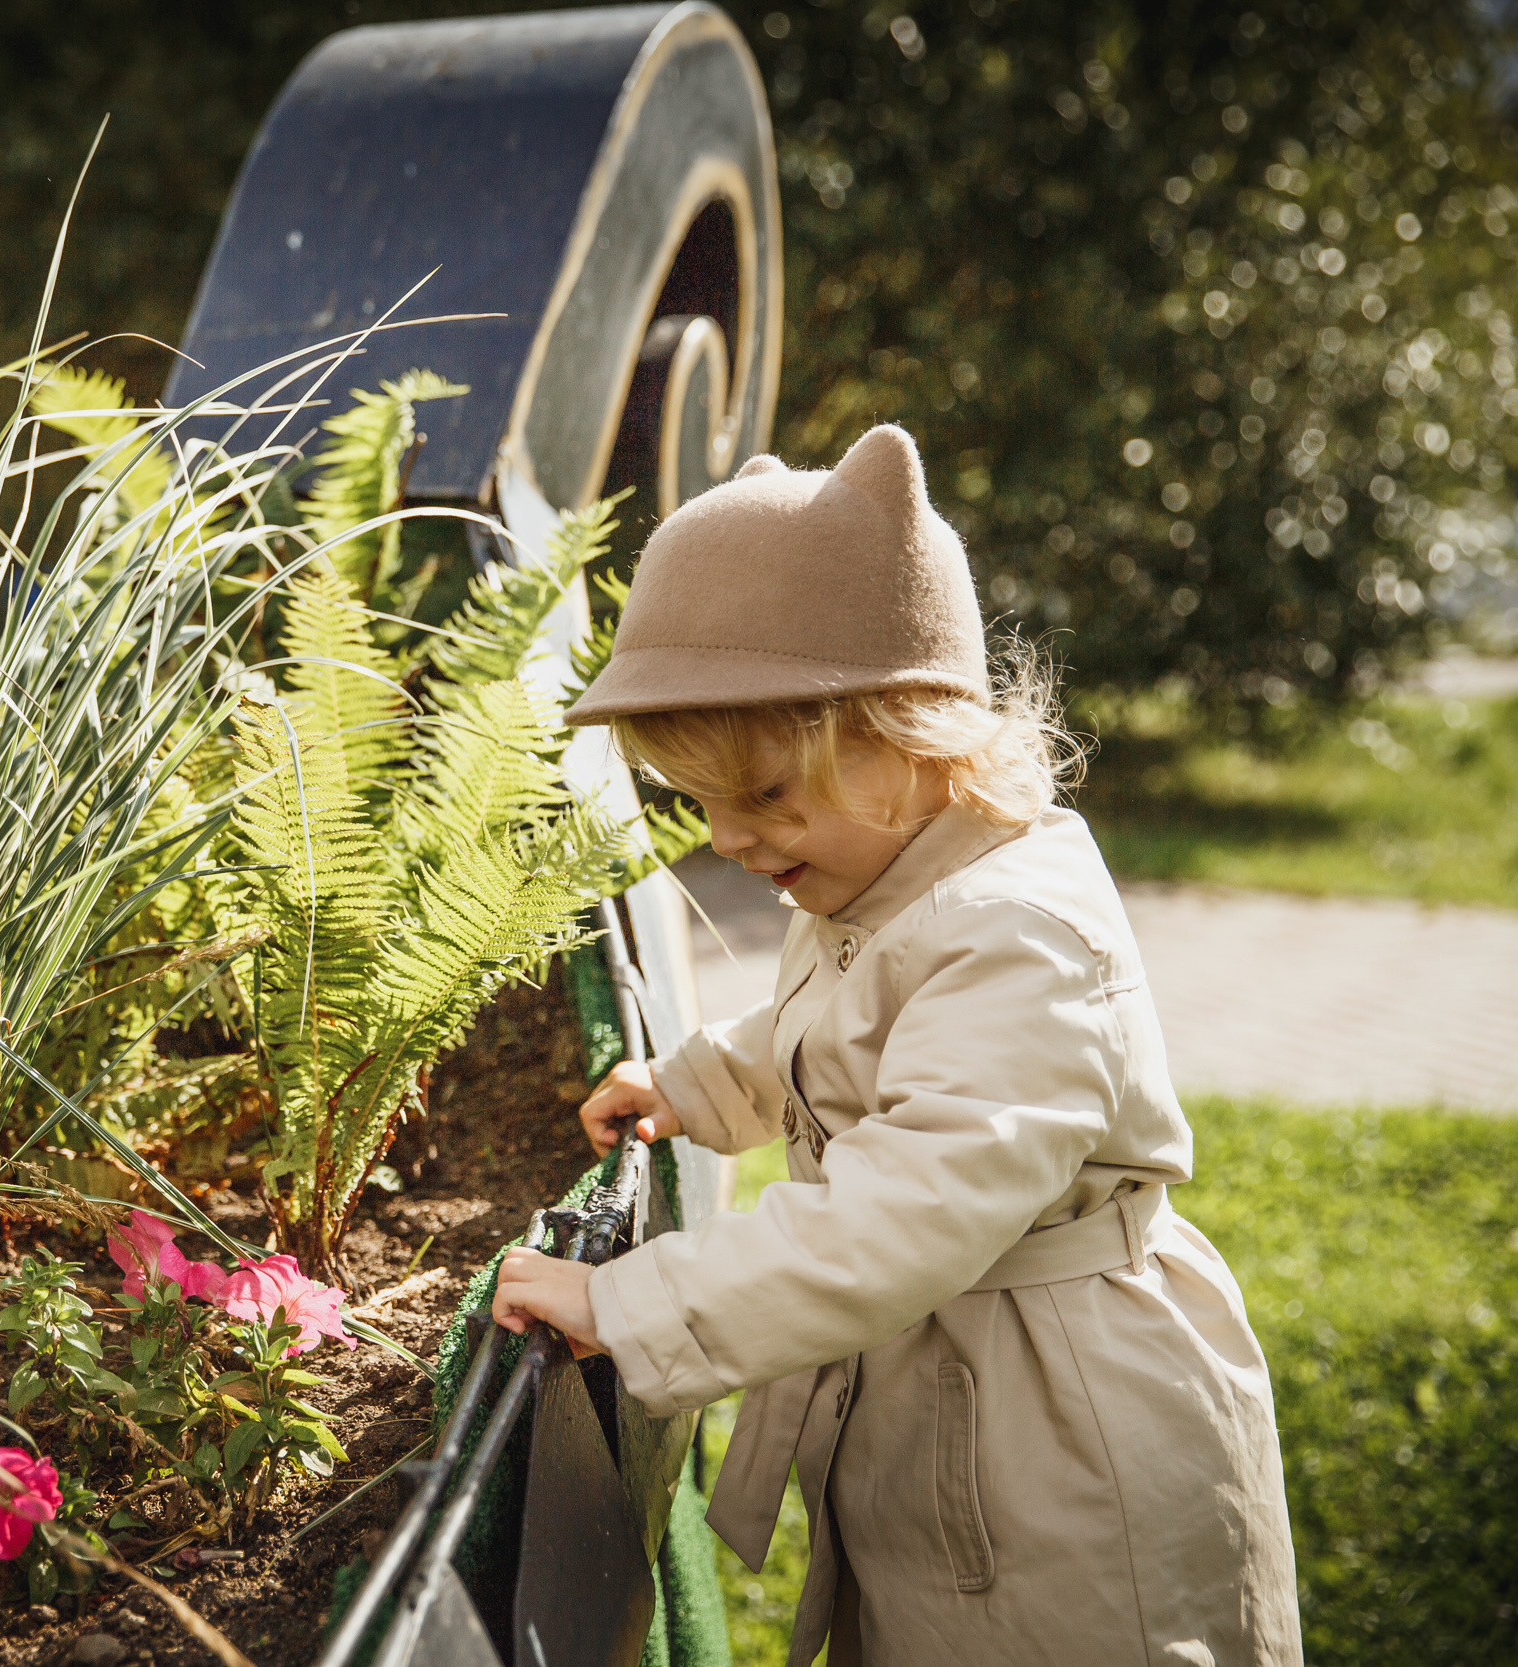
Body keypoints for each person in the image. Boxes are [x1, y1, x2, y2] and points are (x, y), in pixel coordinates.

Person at [490, 425, 1301, 1666]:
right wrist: (701, 1080)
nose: (733, 839)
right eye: (701, 801)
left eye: (765, 792)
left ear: (914, 726)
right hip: (954, 1405)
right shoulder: (887, 883)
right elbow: (834, 1042)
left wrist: (629, 1297)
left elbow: (904, 1211)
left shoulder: (1011, 929)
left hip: (1060, 1446)